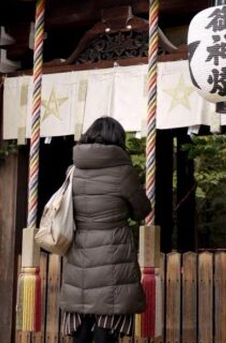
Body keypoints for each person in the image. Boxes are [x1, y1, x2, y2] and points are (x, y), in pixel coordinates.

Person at [59, 116, 152, 343]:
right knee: (107, 325)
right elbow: (141, 211)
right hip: (114, 253)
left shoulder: (73, 171)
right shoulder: (123, 172)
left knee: (80, 324)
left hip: (79, 252)